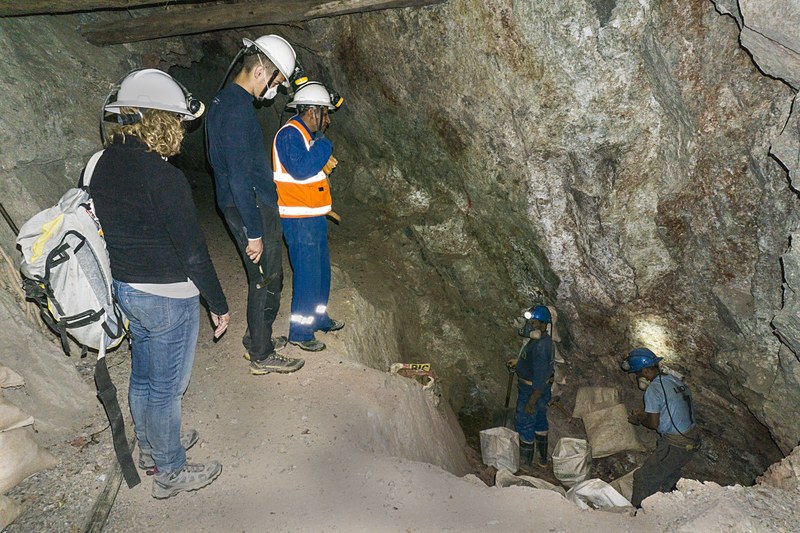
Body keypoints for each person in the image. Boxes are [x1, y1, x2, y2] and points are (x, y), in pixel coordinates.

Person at [90, 69, 230, 498]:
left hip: (127, 290)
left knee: (144, 378)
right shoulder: (164, 177)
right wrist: (218, 302)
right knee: (167, 389)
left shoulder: (99, 164)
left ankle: (152, 447)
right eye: (178, 121)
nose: (182, 130)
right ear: (161, 120)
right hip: (170, 297)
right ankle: (170, 470)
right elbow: (193, 251)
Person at [206, 34, 305, 375]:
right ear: (261, 71)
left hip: (246, 203)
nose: (274, 88)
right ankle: (261, 354)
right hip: (251, 206)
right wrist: (253, 232)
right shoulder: (236, 112)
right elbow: (238, 177)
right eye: (275, 81)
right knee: (265, 279)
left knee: (268, 277)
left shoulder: (223, 102)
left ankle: (257, 337)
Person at [272, 81, 345, 352]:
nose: (327, 121)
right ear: (313, 111)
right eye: (325, 114)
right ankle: (301, 332)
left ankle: (318, 318)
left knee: (321, 271)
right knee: (307, 274)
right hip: (298, 218)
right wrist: (324, 146)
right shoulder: (290, 134)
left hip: (313, 215)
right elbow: (300, 169)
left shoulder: (304, 135)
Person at [622, 348, 701, 507]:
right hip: (692, 438)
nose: (638, 377)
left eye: (637, 373)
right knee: (668, 475)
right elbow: (670, 408)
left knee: (643, 478)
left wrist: (639, 420)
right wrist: (645, 414)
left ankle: (639, 515)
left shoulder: (653, 389)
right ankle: (665, 509)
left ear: (645, 371)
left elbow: (653, 424)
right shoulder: (673, 380)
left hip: (676, 444)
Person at [507, 304, 554, 468]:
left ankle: (526, 463)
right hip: (540, 389)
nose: (529, 326)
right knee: (540, 420)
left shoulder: (541, 346)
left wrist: (531, 401)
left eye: (533, 323)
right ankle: (542, 459)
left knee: (525, 421)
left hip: (532, 390)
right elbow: (536, 365)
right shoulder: (541, 341)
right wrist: (519, 363)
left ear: (544, 325)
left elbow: (539, 375)